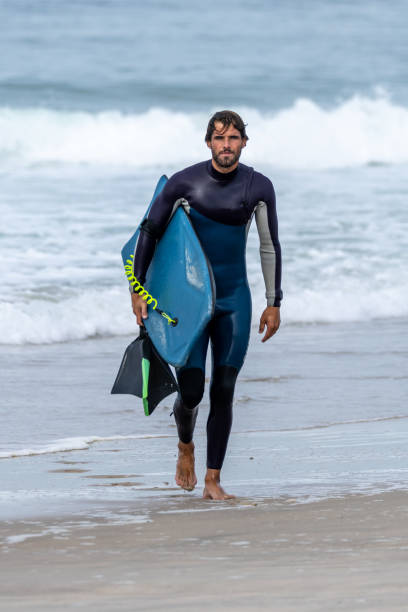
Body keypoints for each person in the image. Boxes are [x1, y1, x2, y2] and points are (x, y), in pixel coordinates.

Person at [130, 110, 282, 500]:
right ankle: (185, 446)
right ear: (208, 142)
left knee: (225, 388)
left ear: (244, 142)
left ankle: (213, 480)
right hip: (193, 303)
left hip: (234, 300)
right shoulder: (184, 183)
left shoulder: (258, 186)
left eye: (233, 138)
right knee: (193, 390)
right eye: (219, 138)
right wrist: (137, 288)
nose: (226, 145)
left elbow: (268, 245)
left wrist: (273, 301)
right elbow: (150, 231)